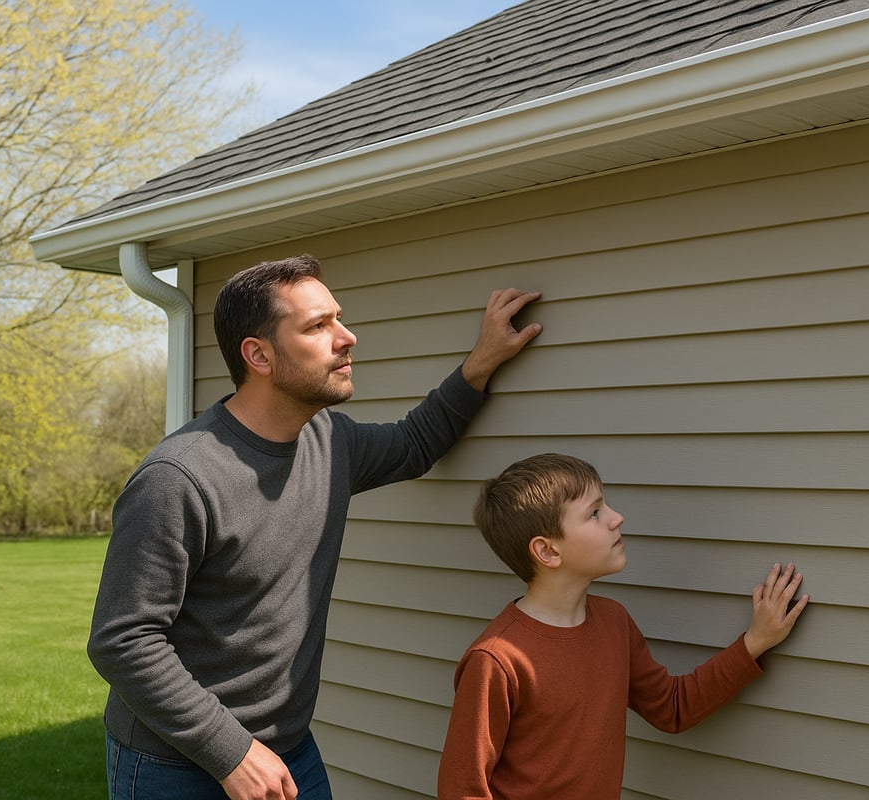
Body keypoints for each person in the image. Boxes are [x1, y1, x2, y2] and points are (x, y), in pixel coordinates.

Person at [88, 253, 542, 800]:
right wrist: (229, 752)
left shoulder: (330, 443)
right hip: (178, 763)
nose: (346, 337)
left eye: (338, 318)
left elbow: (415, 444)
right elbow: (123, 640)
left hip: (289, 749)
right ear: (258, 355)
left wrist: (481, 363)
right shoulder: (179, 478)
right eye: (318, 326)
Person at [437, 453, 810, 800]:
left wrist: (755, 642)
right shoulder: (496, 660)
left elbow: (673, 708)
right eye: (595, 512)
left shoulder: (614, 622)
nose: (617, 517)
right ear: (548, 551)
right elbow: (463, 790)